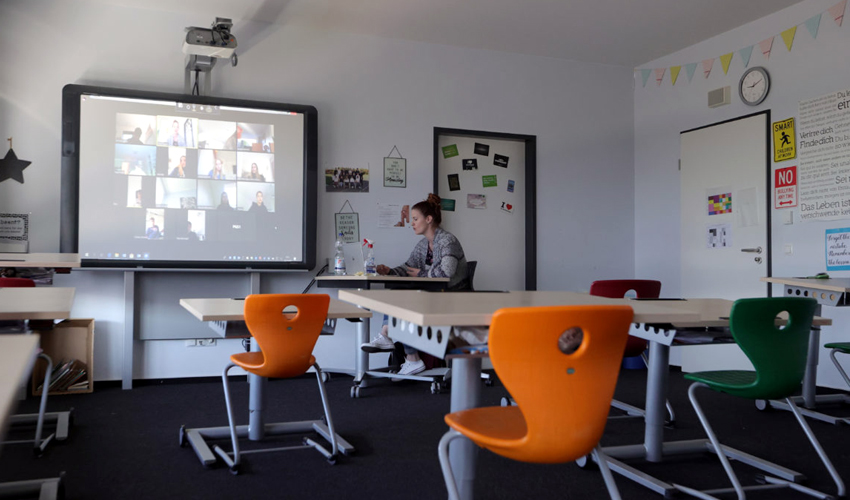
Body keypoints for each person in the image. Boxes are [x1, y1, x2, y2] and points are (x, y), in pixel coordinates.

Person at [360, 193, 470, 378]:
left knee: (406, 298)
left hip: (453, 297)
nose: (412, 223)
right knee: (399, 292)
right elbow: (408, 267)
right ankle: (406, 353)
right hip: (436, 295)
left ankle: (393, 341)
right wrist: (390, 271)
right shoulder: (423, 245)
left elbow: (447, 272)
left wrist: (421, 274)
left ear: (429, 219)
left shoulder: (447, 241)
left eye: (415, 219)